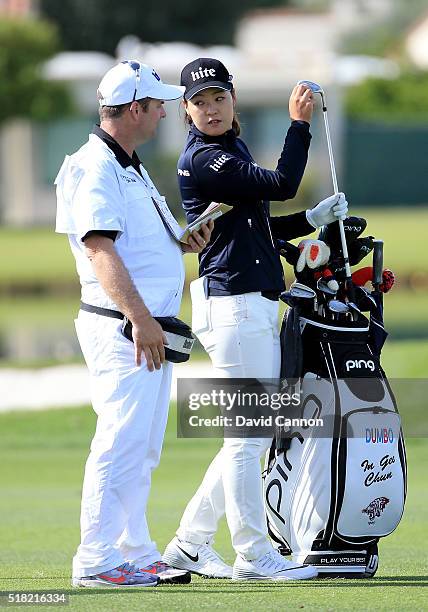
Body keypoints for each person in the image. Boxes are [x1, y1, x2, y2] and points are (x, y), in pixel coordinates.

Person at [163, 58, 348, 581]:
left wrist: (313, 221)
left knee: (250, 433)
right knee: (249, 435)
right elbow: (284, 182)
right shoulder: (206, 159)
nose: (210, 108)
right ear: (187, 110)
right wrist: (299, 123)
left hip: (250, 302)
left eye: (218, 98)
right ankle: (252, 554)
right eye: (199, 102)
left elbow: (258, 222)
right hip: (235, 305)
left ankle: (189, 544)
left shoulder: (229, 150)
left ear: (232, 99)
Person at [55, 60, 213, 588]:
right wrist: (140, 318)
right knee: (120, 439)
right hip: (123, 327)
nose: (167, 111)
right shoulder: (95, 165)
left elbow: (135, 239)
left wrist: (182, 239)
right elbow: (99, 248)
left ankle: (134, 549)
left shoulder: (128, 163)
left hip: (144, 327)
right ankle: (95, 561)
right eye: (158, 104)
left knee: (142, 444)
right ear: (134, 109)